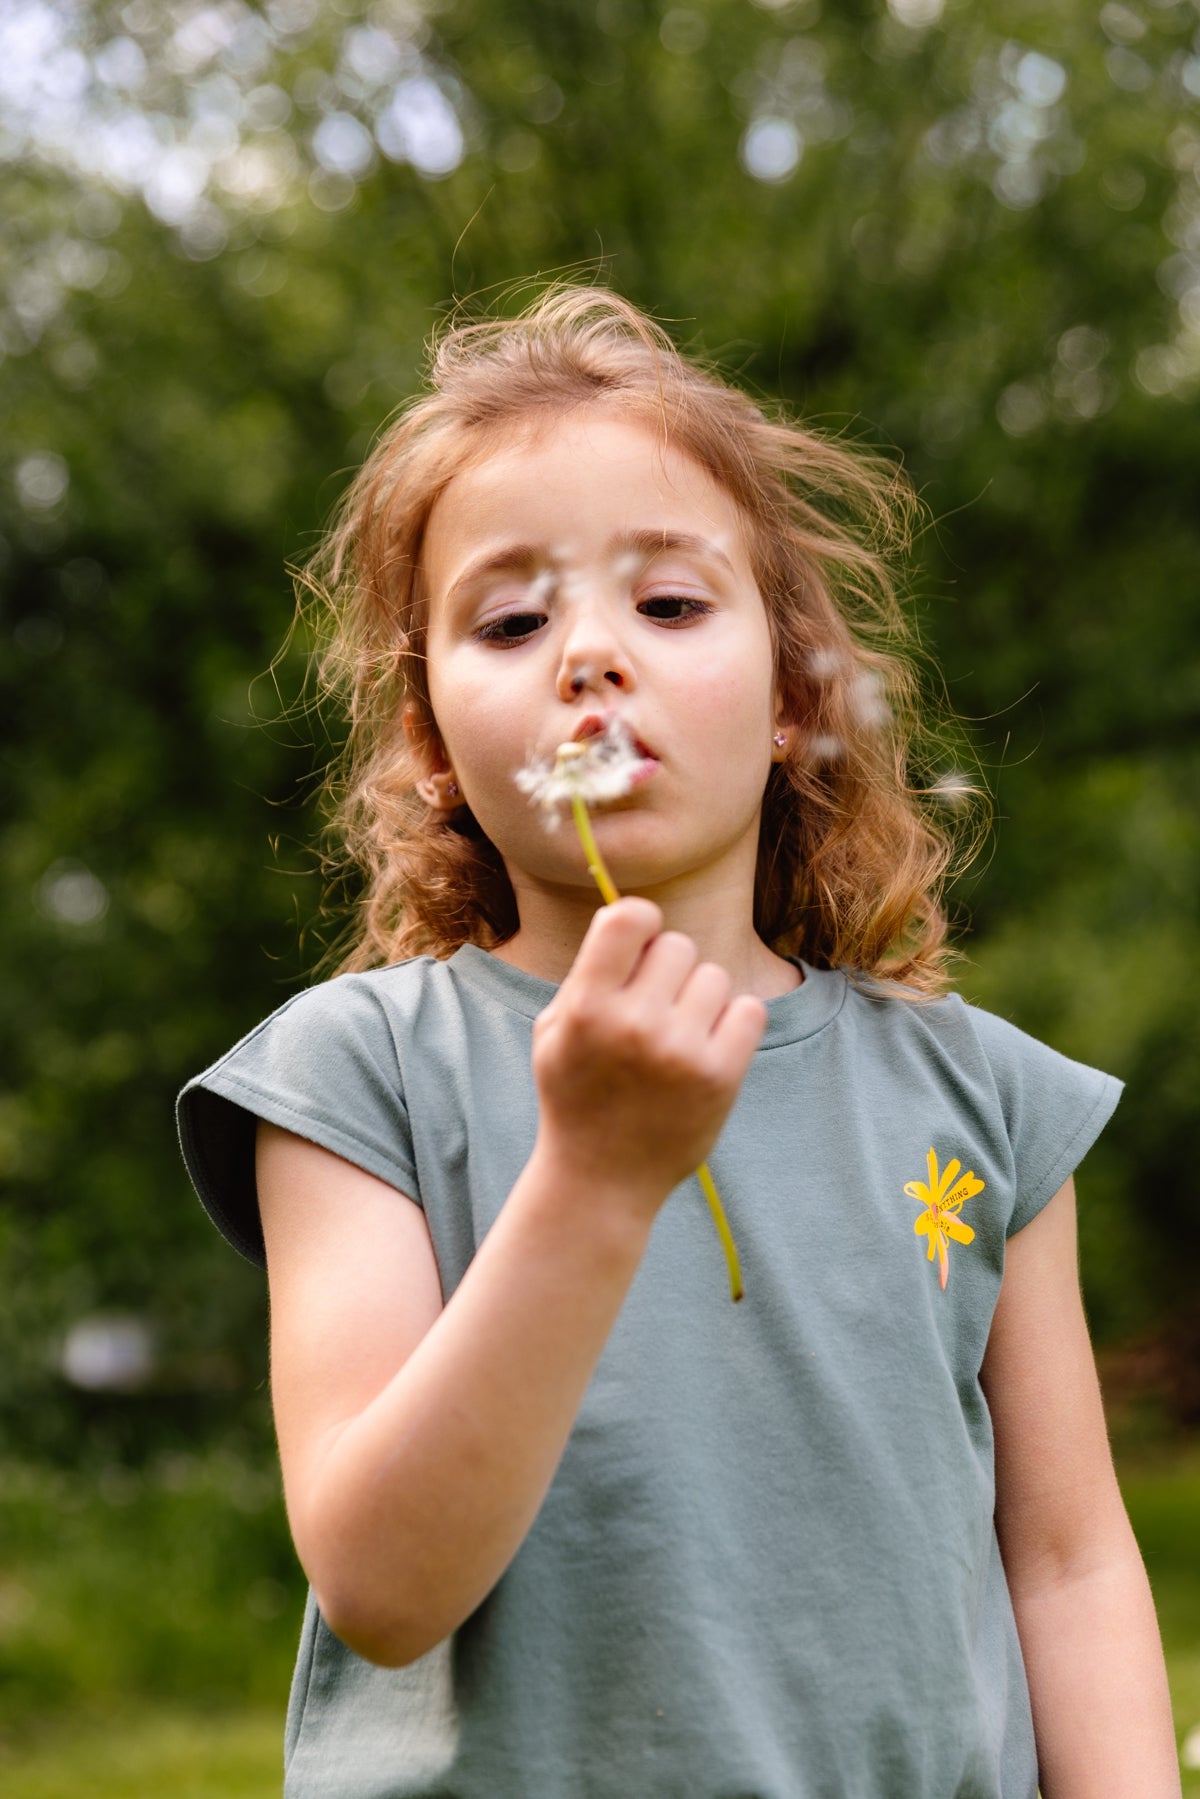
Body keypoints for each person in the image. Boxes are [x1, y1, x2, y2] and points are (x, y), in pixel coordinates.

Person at [178, 286, 1181, 1799]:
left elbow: (1065, 1560)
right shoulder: (352, 1076)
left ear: (791, 696)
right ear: (435, 737)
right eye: (512, 619)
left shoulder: (979, 1097)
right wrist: (592, 1179)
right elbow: (381, 1587)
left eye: (667, 604)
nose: (589, 654)